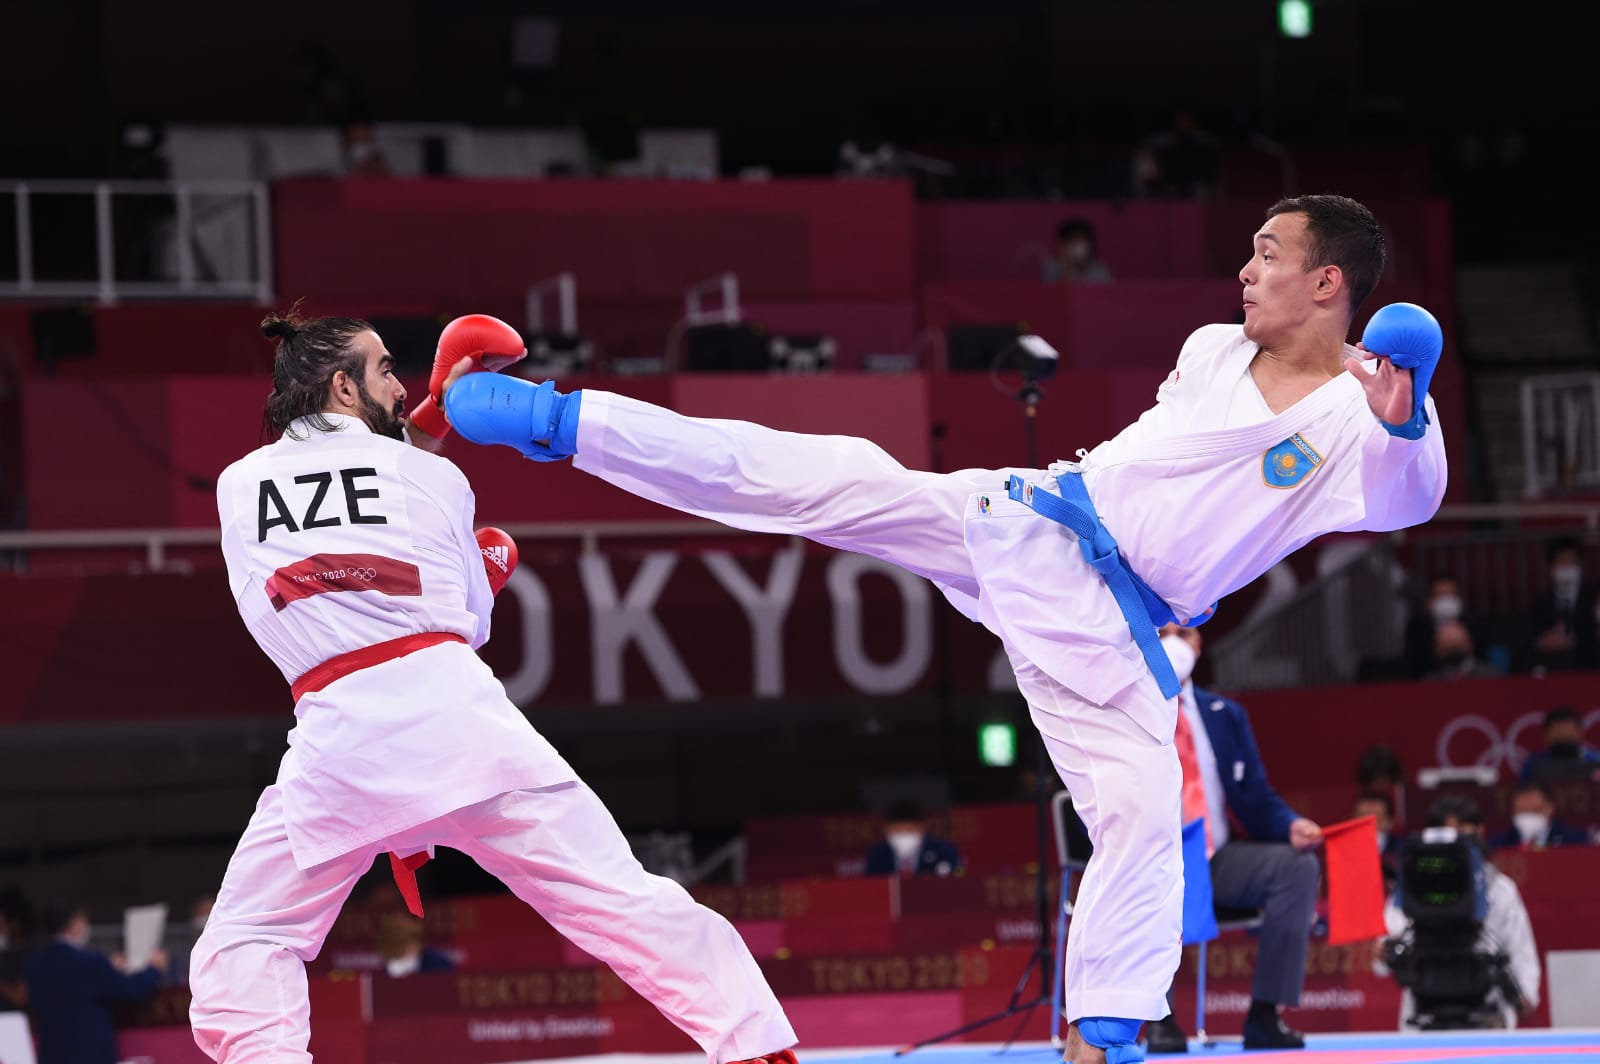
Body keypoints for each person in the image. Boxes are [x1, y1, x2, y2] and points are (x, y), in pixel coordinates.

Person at [445, 193, 1448, 1064]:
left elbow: (1407, 500)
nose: (1245, 268)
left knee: (1144, 816)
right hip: (1033, 523)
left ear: (1328, 281)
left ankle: (1100, 1031)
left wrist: (1404, 423)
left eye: (1268, 253)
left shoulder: (1365, 411)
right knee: (820, 476)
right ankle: (552, 420)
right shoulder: (1213, 348)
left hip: (1114, 627)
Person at [189, 309, 797, 1064]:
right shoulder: (435, 475)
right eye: (385, 371)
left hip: (336, 743)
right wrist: (486, 569)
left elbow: (337, 500)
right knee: (620, 900)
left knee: (251, 935)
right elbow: (470, 619)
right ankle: (760, 1051)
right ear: (343, 386)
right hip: (457, 720)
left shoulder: (237, 485)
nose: (401, 385)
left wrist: (433, 420)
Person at [1142, 624, 1322, 1054]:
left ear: (1198, 642)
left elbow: (1256, 796)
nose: (1172, 642)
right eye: (1161, 630)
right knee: (1146, 879)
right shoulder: (1124, 709)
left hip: (1217, 860)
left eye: (1182, 632)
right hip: (1153, 862)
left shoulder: (1226, 714)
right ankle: (1158, 1017)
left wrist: (1288, 825)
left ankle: (1264, 1014)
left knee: (1297, 867)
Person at [1385, 795, 1539, 1029]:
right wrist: (1384, 948)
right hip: (1424, 1008)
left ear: (1480, 831)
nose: (1453, 838)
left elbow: (1519, 947)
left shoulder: (1499, 887)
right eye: (1445, 830)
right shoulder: (1413, 881)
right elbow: (1390, 936)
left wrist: (1525, 994)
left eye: (1461, 829)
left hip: (1487, 1009)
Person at [24, 900, 167, 1064]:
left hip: (52, 1055)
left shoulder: (34, 964)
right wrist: (154, 969)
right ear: (75, 922)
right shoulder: (90, 963)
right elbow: (131, 989)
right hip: (90, 1055)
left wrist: (109, 968)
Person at [1520, 537, 1599, 673]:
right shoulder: (1542, 601)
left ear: (1580, 566)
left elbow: (1594, 633)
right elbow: (1531, 634)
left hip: (1586, 660)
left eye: (1571, 562)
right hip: (1551, 661)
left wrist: (1570, 642)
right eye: (1562, 562)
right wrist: (1543, 641)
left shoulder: (1593, 597)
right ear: (1551, 567)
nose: (1567, 567)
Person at [1403, 574, 1491, 678]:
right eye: (1440, 595)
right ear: (1429, 600)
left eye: (1450, 594)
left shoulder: (1475, 624)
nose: (1446, 600)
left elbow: (1484, 658)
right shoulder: (1418, 628)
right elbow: (1413, 668)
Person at [862, 798, 964, 877]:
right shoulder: (877, 855)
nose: (903, 835)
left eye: (909, 830)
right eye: (897, 831)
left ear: (923, 828)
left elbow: (958, 878)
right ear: (886, 830)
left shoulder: (945, 851)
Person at [1487, 781, 1589, 850]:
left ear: (1549, 808)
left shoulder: (1573, 842)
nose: (1527, 817)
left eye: (1534, 811)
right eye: (1522, 811)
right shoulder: (1500, 844)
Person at [1519, 705, 1600, 786]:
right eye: (1559, 738)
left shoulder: (1597, 761)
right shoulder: (1533, 765)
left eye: (1568, 737)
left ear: (1580, 733)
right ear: (1546, 736)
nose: (1564, 741)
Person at [373, 910, 454, 977]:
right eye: (401, 946)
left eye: (414, 944)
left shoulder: (438, 964)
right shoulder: (381, 974)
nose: (413, 948)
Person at [1353, 791, 1405, 888]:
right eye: (1362, 818)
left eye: (1374, 819)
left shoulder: (1403, 848)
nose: (1367, 825)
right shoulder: (1342, 851)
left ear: (1389, 822)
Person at [1423, 620, 1504, 680]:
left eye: (1458, 644)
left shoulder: (1490, 675)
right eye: (1447, 646)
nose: (1452, 647)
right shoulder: (1432, 680)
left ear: (1469, 644)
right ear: (1437, 650)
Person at [1044, 218, 1115, 285]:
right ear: (1063, 244)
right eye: (1073, 240)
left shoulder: (1101, 271)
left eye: (1082, 240)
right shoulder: (1052, 268)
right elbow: (1052, 294)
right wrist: (1066, 268)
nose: (1078, 245)